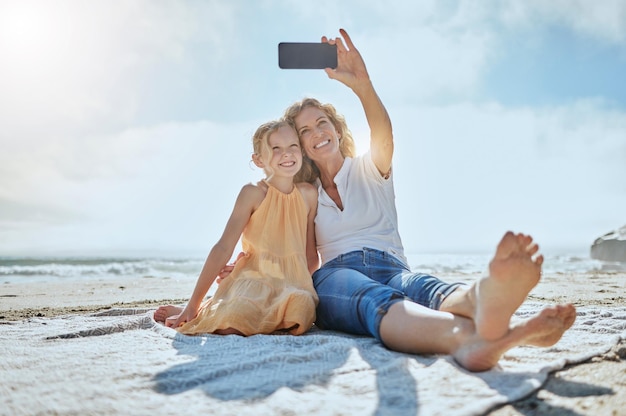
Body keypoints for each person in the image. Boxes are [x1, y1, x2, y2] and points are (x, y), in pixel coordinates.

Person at [279, 28, 576, 371]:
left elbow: (383, 135)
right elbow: (306, 261)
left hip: (392, 266)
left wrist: (362, 84)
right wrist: (259, 274)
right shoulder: (307, 195)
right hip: (337, 276)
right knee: (374, 300)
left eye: (322, 123)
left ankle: (482, 302)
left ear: (337, 129)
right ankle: (466, 338)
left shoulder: (369, 167)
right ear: (300, 146)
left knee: (423, 286)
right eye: (305, 131)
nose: (317, 133)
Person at [154, 120, 319, 336]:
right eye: (275, 148)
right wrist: (192, 304)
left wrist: (300, 281)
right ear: (258, 160)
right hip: (254, 280)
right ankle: (201, 310)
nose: (286, 154)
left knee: (302, 309)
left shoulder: (308, 195)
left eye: (292, 146)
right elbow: (223, 247)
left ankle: (227, 310)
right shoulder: (252, 193)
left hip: (292, 285)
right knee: (235, 321)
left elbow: (310, 255)